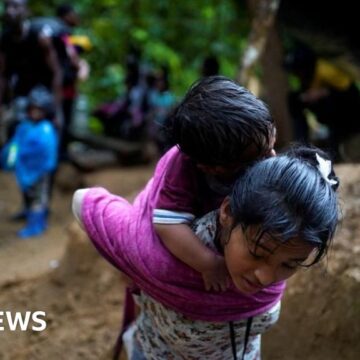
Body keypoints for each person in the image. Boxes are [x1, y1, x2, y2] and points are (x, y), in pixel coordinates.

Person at [72, 145, 339, 359]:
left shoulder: (269, 246)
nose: (266, 278)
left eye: (289, 265)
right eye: (257, 254)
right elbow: (83, 202)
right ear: (226, 212)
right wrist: (131, 267)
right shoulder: (166, 257)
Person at [1, 86, 58, 238]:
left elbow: (46, 151)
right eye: (33, 109)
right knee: (28, 194)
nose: (35, 113)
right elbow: (15, 145)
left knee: (39, 198)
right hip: (25, 171)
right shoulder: (24, 127)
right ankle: (28, 214)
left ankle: (37, 224)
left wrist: (26, 155)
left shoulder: (46, 129)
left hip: (41, 172)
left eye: (39, 110)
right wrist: (10, 160)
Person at [0, 0, 63, 137]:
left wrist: (56, 109)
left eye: (15, 7)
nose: (10, 11)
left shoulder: (39, 36)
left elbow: (56, 72)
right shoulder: (5, 38)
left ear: (26, 11)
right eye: (7, 7)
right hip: (21, 93)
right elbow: (3, 75)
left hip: (43, 93)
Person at [284, 43, 360, 157]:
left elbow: (348, 92)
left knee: (332, 104)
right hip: (326, 109)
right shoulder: (307, 77)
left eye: (297, 71)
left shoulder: (325, 70)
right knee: (294, 99)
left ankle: (334, 147)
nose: (296, 75)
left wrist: (321, 93)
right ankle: (301, 145)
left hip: (349, 111)